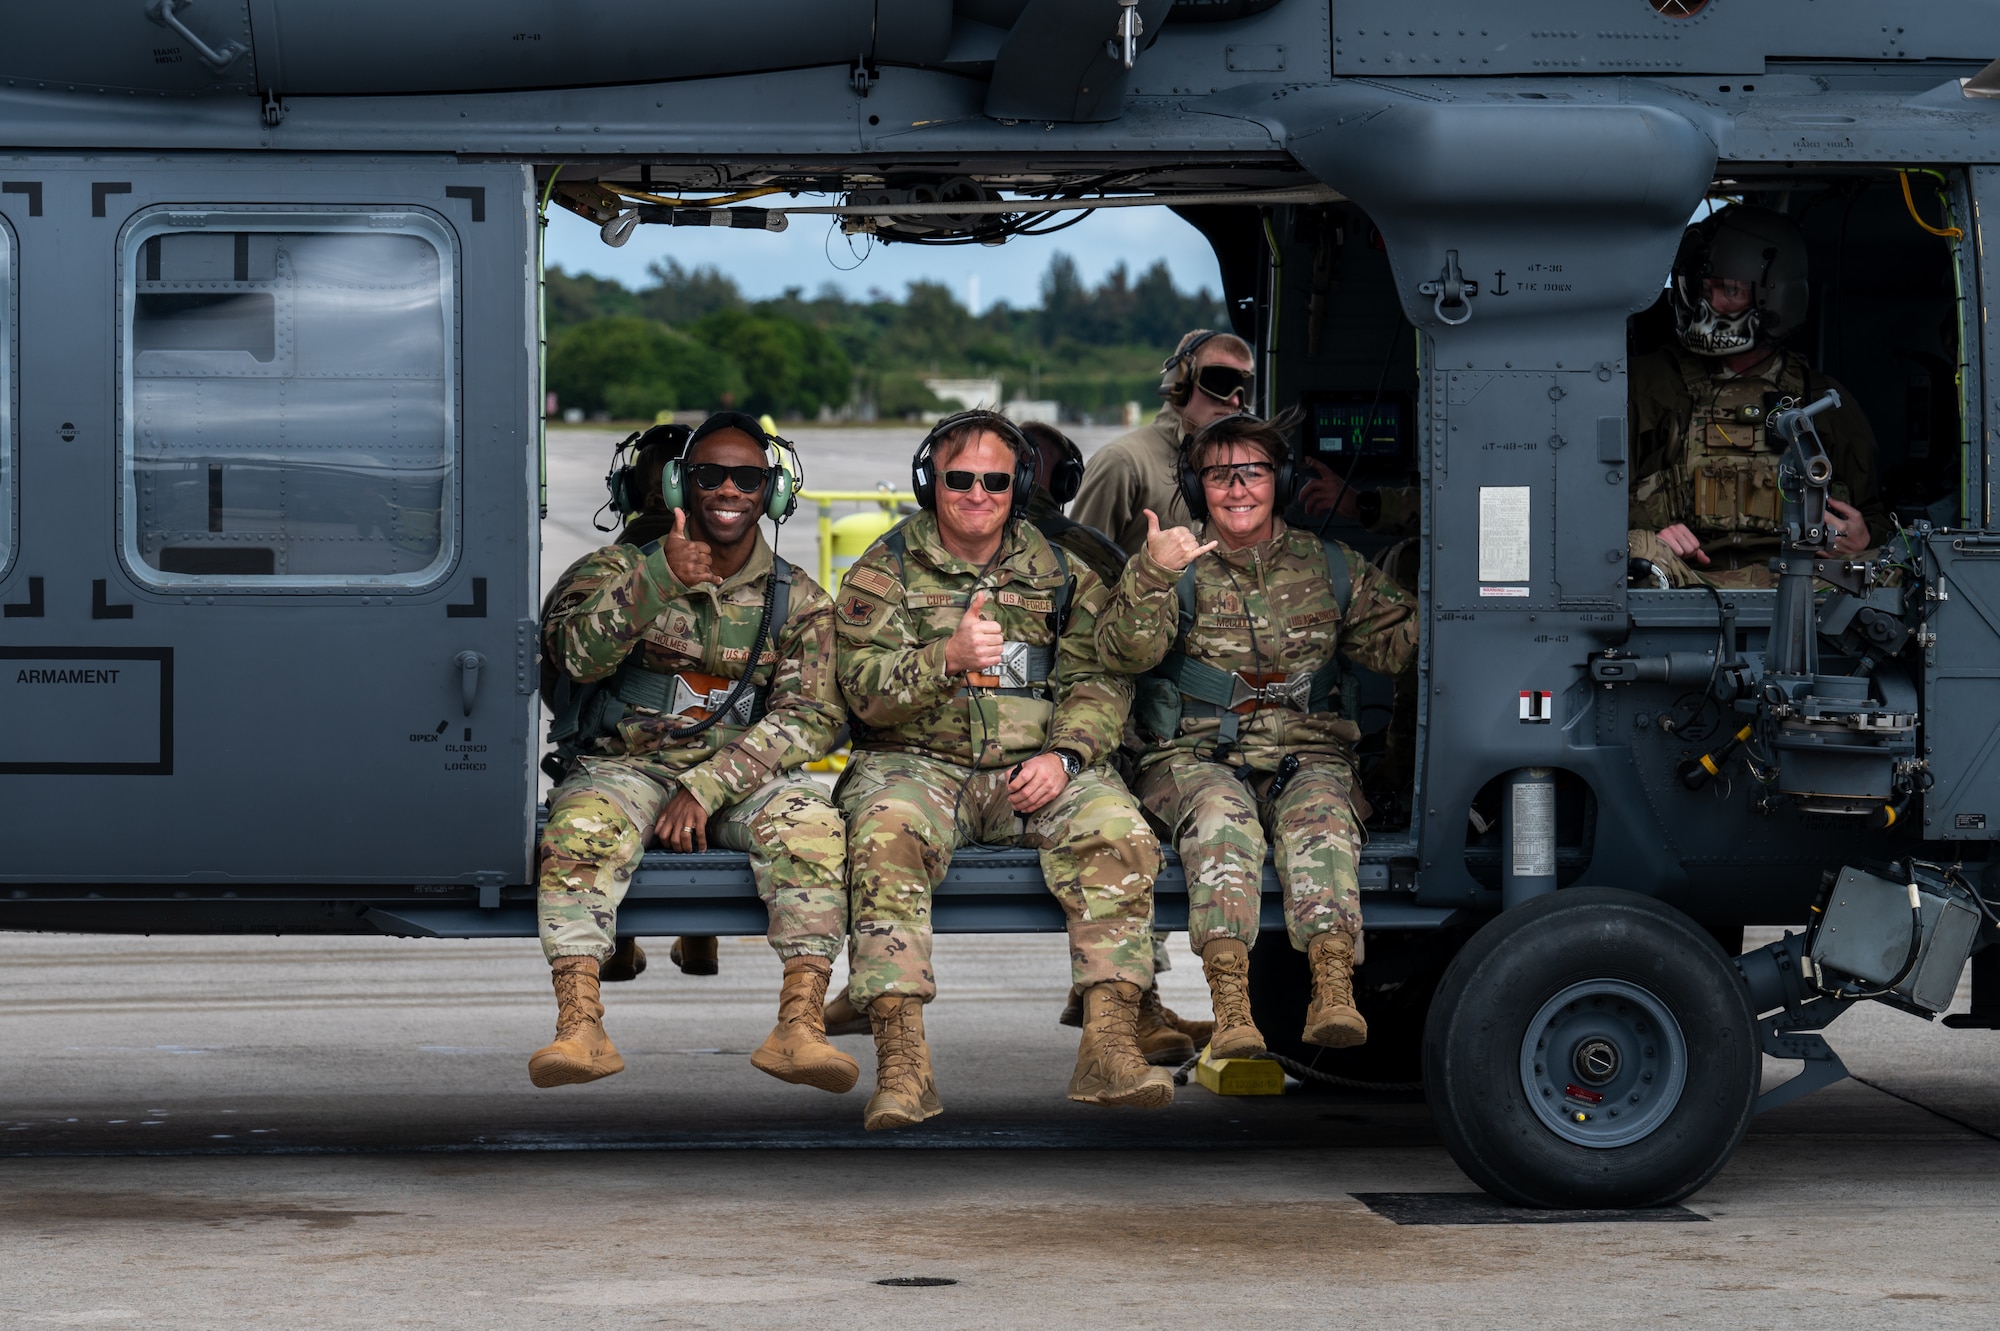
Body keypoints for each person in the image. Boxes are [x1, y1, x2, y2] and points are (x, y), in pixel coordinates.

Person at [834, 408, 1174, 1130]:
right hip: (918, 764)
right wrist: (946, 659)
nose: (977, 494)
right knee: (885, 832)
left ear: (1018, 485)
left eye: (995, 480)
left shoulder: (1060, 572)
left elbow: (1100, 679)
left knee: (1118, 828)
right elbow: (860, 691)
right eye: (959, 479)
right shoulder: (883, 571)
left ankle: (1110, 1047)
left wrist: (1066, 755)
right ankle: (903, 1065)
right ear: (930, 482)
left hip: (1037, 767)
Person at [531, 411, 855, 1094]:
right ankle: (580, 1027)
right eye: (710, 475)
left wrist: (705, 787)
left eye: (747, 478)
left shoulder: (798, 599)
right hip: (628, 766)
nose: (729, 489)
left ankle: (800, 1027)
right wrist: (657, 579)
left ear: (772, 491)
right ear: (683, 486)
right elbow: (573, 657)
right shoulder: (619, 569)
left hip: (739, 779)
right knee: (580, 828)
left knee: (815, 827)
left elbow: (813, 715)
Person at [1095, 412, 1418, 1057]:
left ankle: (1332, 988)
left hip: (1308, 751)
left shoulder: (1330, 567)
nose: (1238, 488)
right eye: (1219, 475)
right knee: (1223, 821)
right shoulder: (1175, 565)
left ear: (1281, 480)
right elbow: (1121, 654)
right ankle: (1232, 1008)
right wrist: (1153, 575)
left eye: (1254, 472)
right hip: (1193, 756)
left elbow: (1402, 647)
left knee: (1324, 817)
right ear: (1197, 487)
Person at [1017, 419, 1213, 1063]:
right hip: (1072, 745)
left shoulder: (950, 540)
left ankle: (1124, 1001)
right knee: (1130, 834)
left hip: (1046, 745)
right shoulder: (1086, 549)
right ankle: (1136, 1005)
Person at [1628, 204, 1886, 587]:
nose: (1709, 305)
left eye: (1729, 290)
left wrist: (1864, 535)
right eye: (1703, 289)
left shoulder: (1824, 401)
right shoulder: (1647, 387)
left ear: (1776, 297)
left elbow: (1875, 515)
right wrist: (1647, 536)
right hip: (1683, 582)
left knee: (1885, 575)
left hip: (1801, 585)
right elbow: (1585, 501)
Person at [1070, 330, 1261, 558]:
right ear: (1180, 383)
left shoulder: (1241, 470)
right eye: (1220, 382)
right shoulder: (1122, 463)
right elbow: (1077, 570)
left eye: (1246, 387)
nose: (1235, 400)